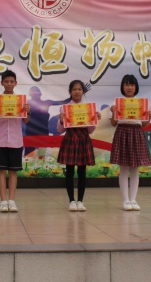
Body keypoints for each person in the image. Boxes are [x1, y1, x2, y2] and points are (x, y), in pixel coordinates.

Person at [0, 70, 30, 213]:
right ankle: (3, 201)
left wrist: (27, 111)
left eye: (11, 81)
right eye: (6, 81)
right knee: (1, 170)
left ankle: (12, 200)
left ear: (16, 83)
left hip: (16, 141)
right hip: (0, 140)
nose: (9, 84)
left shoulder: (21, 101)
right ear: (2, 83)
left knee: (13, 172)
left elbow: (26, 120)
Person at [109, 74, 151, 211]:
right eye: (127, 85)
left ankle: (133, 200)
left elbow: (144, 125)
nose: (129, 87)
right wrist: (114, 113)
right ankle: (125, 200)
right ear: (123, 87)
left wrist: (149, 117)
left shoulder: (141, 103)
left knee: (135, 168)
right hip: (122, 132)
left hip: (136, 132)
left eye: (132, 85)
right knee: (123, 168)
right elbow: (113, 123)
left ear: (136, 87)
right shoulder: (118, 103)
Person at [57, 80, 100, 212]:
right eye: (74, 89)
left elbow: (90, 131)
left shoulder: (88, 108)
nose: (77, 92)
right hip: (70, 139)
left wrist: (94, 119)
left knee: (82, 172)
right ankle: (71, 201)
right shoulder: (65, 108)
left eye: (79, 89)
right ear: (70, 92)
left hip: (83, 139)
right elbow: (60, 130)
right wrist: (61, 120)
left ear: (83, 91)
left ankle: (80, 201)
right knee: (69, 172)